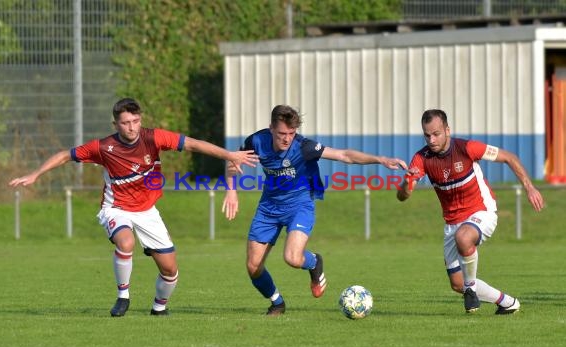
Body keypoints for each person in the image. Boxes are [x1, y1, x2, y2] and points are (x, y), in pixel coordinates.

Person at [9, 97, 258, 317]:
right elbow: (65, 155)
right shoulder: (103, 147)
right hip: (116, 208)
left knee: (170, 271)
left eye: (136, 121)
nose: (132, 127)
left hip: (147, 211)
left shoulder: (154, 138)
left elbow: (193, 144)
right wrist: (35, 174)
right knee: (125, 242)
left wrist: (230, 156)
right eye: (126, 122)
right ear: (116, 124)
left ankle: (159, 308)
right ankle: (123, 296)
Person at [221, 104, 408, 316]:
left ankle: (314, 262)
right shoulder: (256, 141)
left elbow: (344, 155)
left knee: (292, 257)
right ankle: (277, 303)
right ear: (271, 128)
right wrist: (231, 191)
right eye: (282, 133)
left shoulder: (303, 147)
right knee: (253, 267)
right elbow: (232, 161)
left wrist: (381, 159)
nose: (287, 139)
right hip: (269, 206)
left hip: (300, 203)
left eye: (291, 133)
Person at [397, 109, 545, 314]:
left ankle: (471, 289)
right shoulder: (421, 159)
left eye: (436, 133)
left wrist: (529, 187)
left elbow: (509, 157)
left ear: (447, 130)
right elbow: (403, 197)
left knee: (464, 238)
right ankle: (508, 302)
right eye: (427, 135)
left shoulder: (467, 148)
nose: (431, 139)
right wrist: (406, 184)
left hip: (482, 211)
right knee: (457, 283)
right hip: (452, 223)